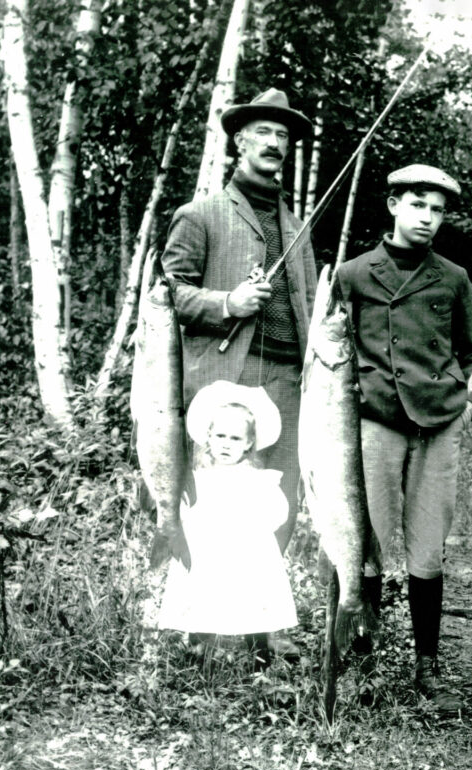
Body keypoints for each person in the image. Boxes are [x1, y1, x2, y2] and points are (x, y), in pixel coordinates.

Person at [162, 89, 316, 659]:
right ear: (239, 141)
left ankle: (259, 628)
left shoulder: (297, 228)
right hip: (223, 375)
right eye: (264, 133)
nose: (275, 144)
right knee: (208, 505)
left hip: (285, 379)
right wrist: (227, 303)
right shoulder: (199, 215)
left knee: (275, 502)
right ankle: (199, 628)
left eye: (283, 137)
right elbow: (170, 293)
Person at [335, 164, 472, 711]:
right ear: (394, 205)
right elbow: (335, 345)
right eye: (418, 205)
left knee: (428, 545)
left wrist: (460, 400)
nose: (427, 218)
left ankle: (428, 664)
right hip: (374, 420)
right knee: (365, 538)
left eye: (438, 210)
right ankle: (363, 657)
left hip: (437, 422)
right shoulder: (353, 274)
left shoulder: (452, 276)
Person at [158, 381, 297, 669]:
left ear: (248, 444)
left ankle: (260, 659)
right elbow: (183, 509)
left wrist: (251, 529)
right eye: (220, 435)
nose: (225, 443)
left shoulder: (259, 479)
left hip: (245, 554)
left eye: (235, 438)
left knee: (253, 603)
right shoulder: (197, 477)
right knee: (203, 598)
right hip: (207, 551)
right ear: (208, 437)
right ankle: (200, 654)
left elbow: (278, 513)